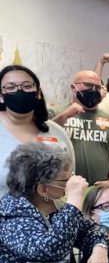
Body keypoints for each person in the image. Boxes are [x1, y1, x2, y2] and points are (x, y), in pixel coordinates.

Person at [0, 65, 75, 196]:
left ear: (38, 92)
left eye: (27, 86)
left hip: (52, 214)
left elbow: (70, 178)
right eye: (10, 87)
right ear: (1, 96)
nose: (20, 91)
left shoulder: (56, 132)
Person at [49, 70, 109, 187]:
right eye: (88, 85)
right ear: (73, 88)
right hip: (60, 190)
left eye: (97, 87)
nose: (93, 90)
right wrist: (64, 116)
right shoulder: (55, 112)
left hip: (97, 193)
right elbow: (39, 138)